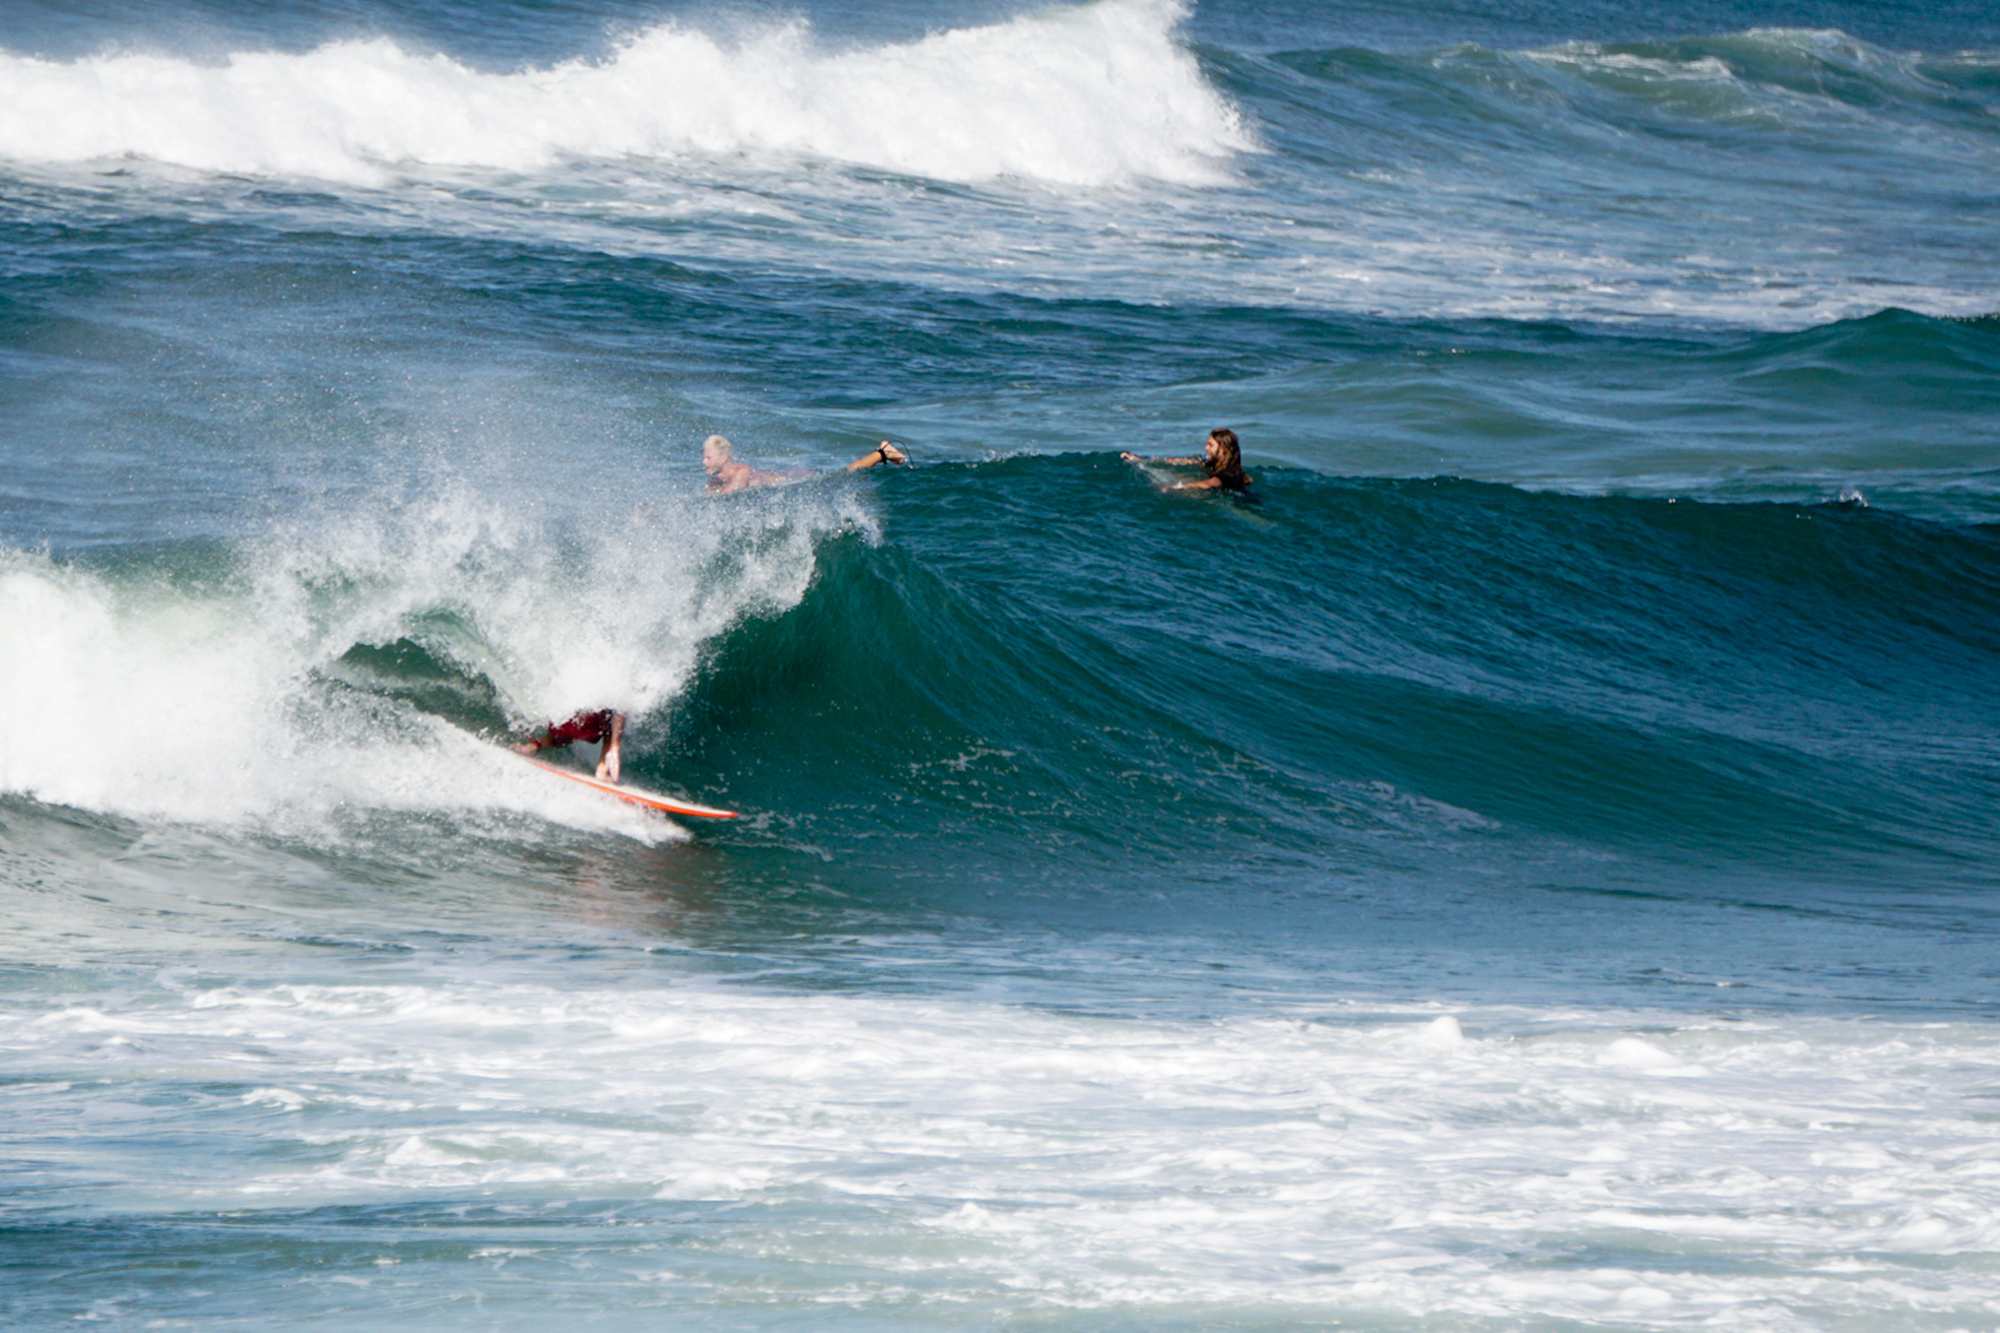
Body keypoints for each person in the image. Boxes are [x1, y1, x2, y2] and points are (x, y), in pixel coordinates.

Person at [703, 433, 907, 493]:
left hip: (795, 478)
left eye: (708, 457)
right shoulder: (718, 480)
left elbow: (730, 494)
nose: (703, 462)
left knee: (843, 474)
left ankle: (882, 453)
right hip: (789, 474)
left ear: (724, 458)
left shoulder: (742, 471)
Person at [1121, 427, 1253, 492]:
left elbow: (1211, 483)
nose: (1206, 448)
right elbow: (1177, 461)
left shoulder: (1230, 472)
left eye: (1211, 445)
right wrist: (1139, 460)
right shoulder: (1209, 462)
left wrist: (1179, 487)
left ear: (1224, 451)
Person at [514, 708, 625, 782]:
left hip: (565, 721)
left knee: (557, 739)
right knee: (609, 727)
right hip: (591, 723)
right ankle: (602, 769)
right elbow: (620, 707)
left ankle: (533, 746)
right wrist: (615, 746)